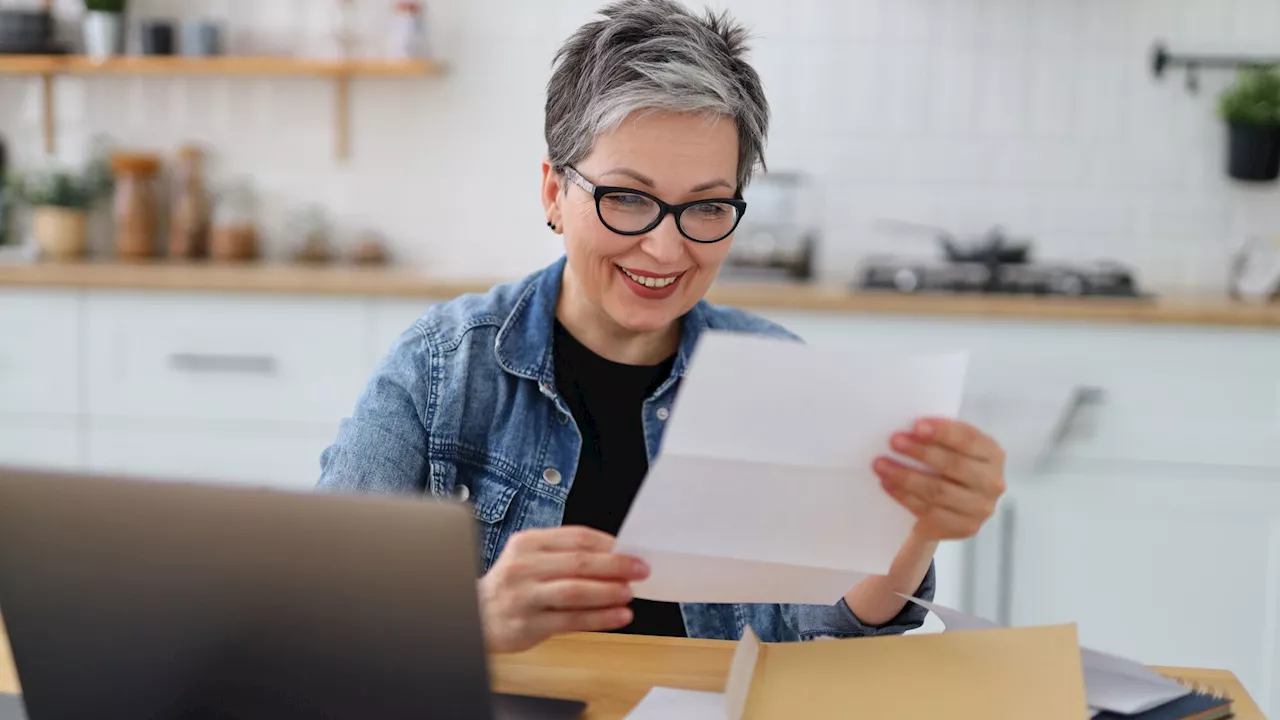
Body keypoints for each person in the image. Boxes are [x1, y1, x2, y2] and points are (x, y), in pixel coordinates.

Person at [317, 0, 1006, 655]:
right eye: (627, 198)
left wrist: (915, 532)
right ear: (555, 192)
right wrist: (471, 618)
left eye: (706, 208)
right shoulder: (443, 369)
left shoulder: (777, 376)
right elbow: (316, 612)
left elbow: (829, 634)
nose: (667, 250)